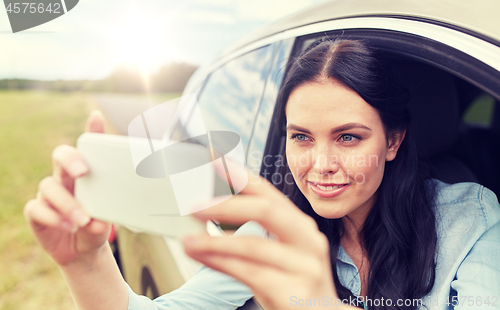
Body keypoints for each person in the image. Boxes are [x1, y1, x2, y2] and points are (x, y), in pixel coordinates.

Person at [24, 39, 500, 310]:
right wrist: (83, 263)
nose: (320, 166)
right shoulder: (275, 233)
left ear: (393, 141)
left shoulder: (469, 219)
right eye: (301, 137)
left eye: (349, 138)